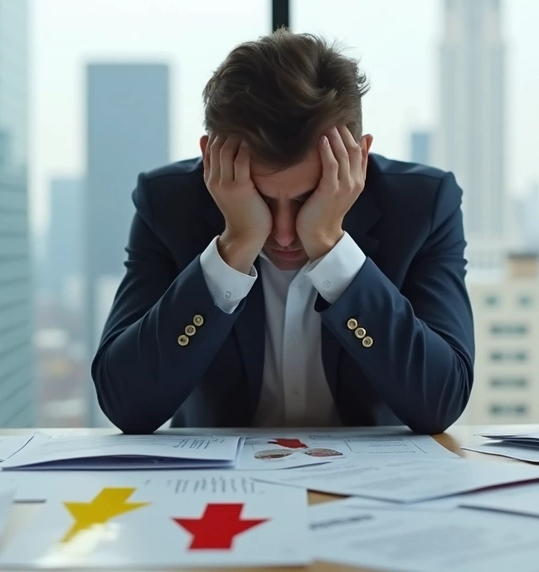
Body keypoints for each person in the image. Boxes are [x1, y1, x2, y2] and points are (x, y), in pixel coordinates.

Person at [92, 29, 475, 434]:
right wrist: (233, 248)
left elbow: (440, 401)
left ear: (358, 158)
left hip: (371, 490)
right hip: (223, 487)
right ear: (211, 161)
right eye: (259, 197)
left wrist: (331, 246)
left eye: (310, 197)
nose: (286, 235)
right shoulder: (168, 204)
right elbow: (127, 406)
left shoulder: (423, 207)